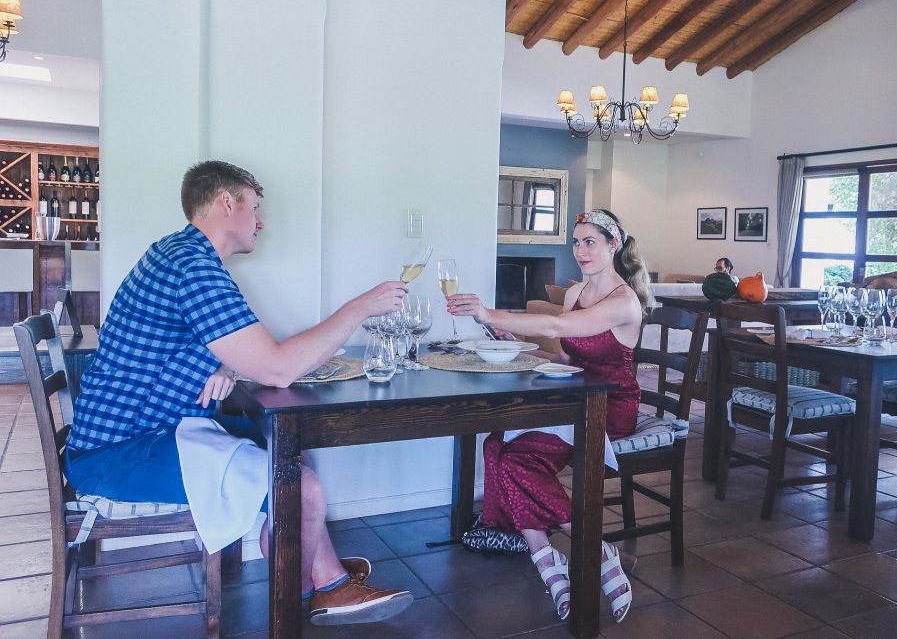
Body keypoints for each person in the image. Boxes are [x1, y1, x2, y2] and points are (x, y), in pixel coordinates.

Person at [64, 161, 413, 626]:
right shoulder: (194, 267)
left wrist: (226, 362)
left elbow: (232, 347)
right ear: (228, 202)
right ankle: (303, 594)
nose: (261, 221)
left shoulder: (179, 255)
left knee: (287, 451)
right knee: (302, 488)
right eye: (255, 207)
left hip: (147, 431)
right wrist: (358, 308)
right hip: (118, 453)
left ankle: (325, 578)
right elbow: (279, 368)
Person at [447, 209, 651, 624]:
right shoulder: (576, 293)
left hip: (609, 407)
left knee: (515, 462)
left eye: (590, 241)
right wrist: (516, 343)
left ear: (614, 244)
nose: (580, 250)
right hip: (573, 399)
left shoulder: (623, 300)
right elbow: (561, 355)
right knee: (498, 448)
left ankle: (578, 555)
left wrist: (489, 313)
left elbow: (556, 329)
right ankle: (557, 560)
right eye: (575, 242)